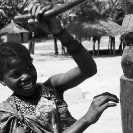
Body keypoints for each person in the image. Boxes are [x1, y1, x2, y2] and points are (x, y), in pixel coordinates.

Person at [0, 3, 119, 133]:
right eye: (16, 74)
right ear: (2, 80)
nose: (27, 76)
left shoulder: (51, 88)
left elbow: (89, 69)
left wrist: (60, 32)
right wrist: (86, 119)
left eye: (29, 67)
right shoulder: (9, 115)